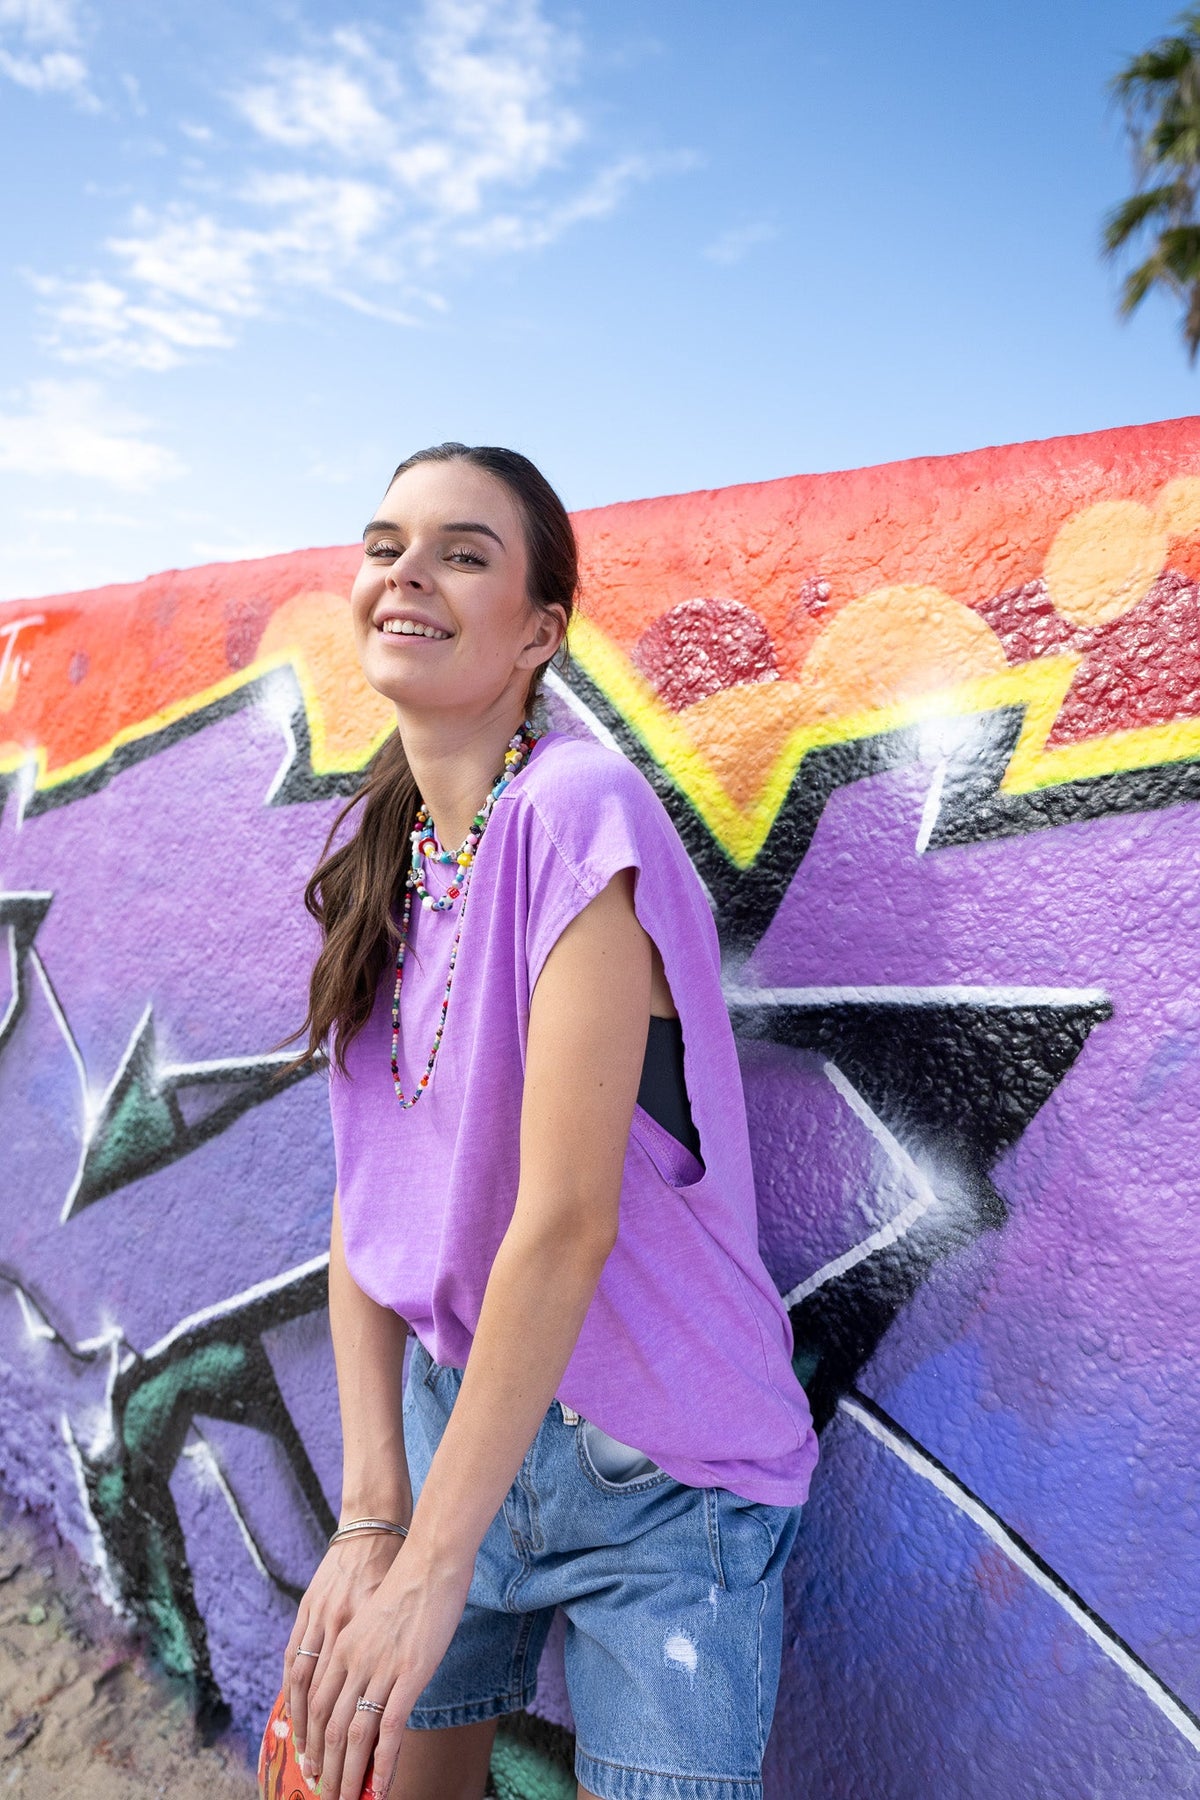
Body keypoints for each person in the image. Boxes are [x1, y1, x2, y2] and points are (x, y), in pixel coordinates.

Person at [268, 443, 818, 1800]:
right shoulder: (388, 863)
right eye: (386, 544)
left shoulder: (575, 812)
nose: (407, 572)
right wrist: (373, 1516)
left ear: (538, 634)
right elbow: (366, 1209)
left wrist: (432, 1560)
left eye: (463, 554)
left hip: (664, 1478)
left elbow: (568, 1222)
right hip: (462, 1424)